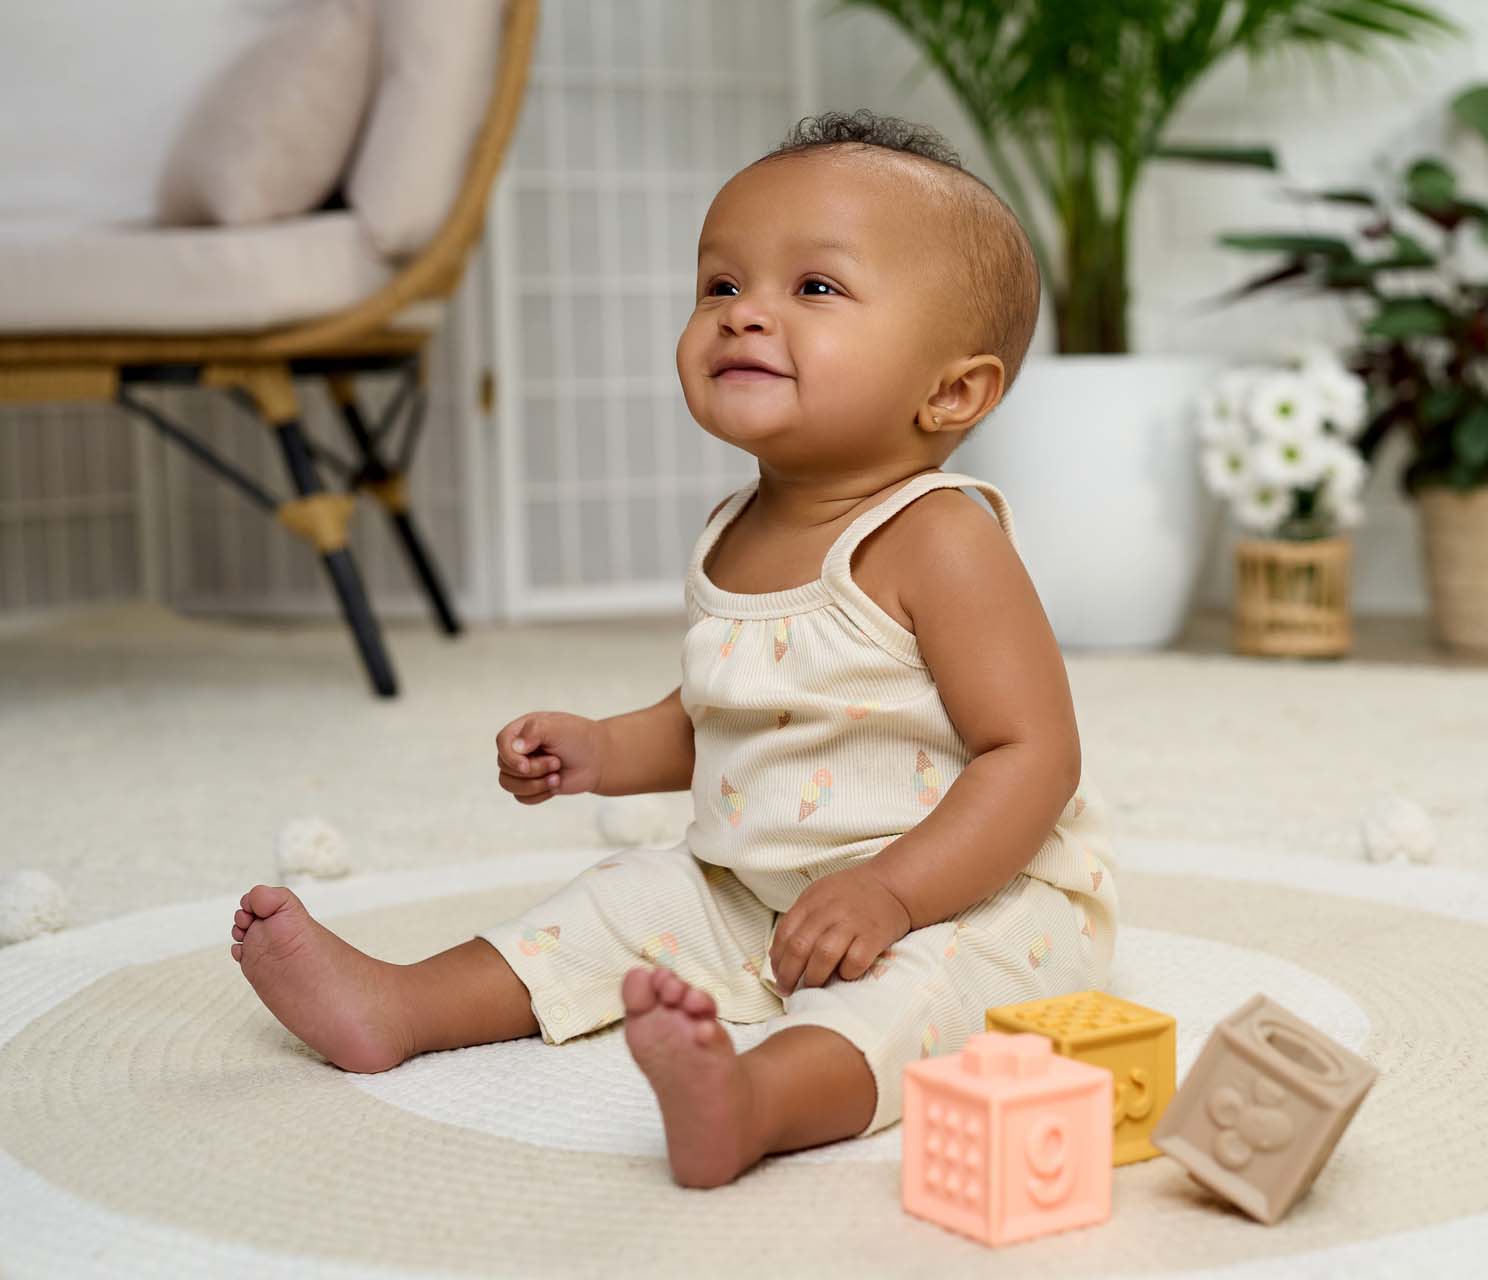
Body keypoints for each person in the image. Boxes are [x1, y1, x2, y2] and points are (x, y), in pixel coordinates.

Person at [227, 109, 1118, 1189]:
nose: (744, 317)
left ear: (953, 390)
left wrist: (890, 891)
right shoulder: (735, 526)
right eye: (721, 285)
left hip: (962, 897)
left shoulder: (940, 535)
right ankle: (401, 1003)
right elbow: (725, 711)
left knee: (911, 1006)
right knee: (615, 900)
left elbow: (1033, 754)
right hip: (754, 889)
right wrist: (602, 749)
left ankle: (756, 1101)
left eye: (815, 289)